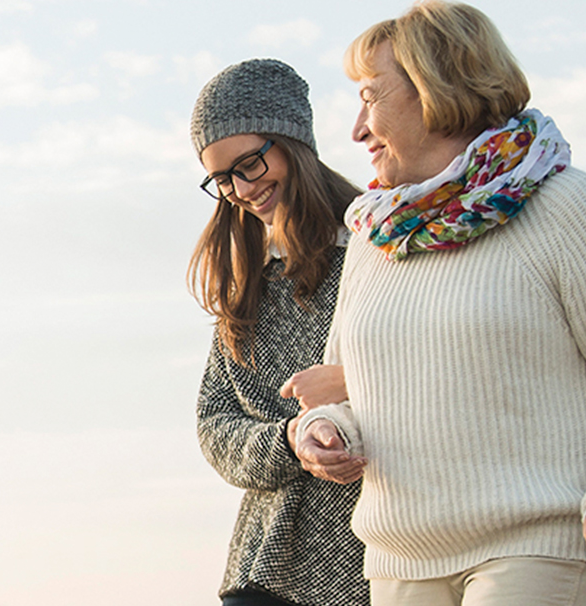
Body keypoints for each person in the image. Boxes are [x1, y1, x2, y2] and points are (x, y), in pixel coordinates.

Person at [290, 3, 586, 605]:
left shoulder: (566, 206)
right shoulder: (378, 235)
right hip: (399, 560)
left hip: (538, 549)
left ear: (435, 87)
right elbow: (355, 393)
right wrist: (325, 431)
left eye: (370, 97)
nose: (357, 130)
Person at [188, 58, 368, 606]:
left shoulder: (376, 248)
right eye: (221, 178)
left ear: (293, 142)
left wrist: (349, 395)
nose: (240, 188)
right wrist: (290, 441)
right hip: (265, 567)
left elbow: (434, 368)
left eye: (248, 163)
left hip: (373, 556)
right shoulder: (245, 278)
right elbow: (214, 424)